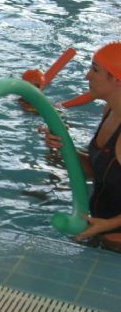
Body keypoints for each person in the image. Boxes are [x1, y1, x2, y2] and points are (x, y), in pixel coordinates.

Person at [40, 42, 121, 244]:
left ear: (117, 79)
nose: (87, 76)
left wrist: (107, 225)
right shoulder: (110, 111)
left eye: (95, 70)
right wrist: (63, 148)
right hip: (99, 224)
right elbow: (100, 171)